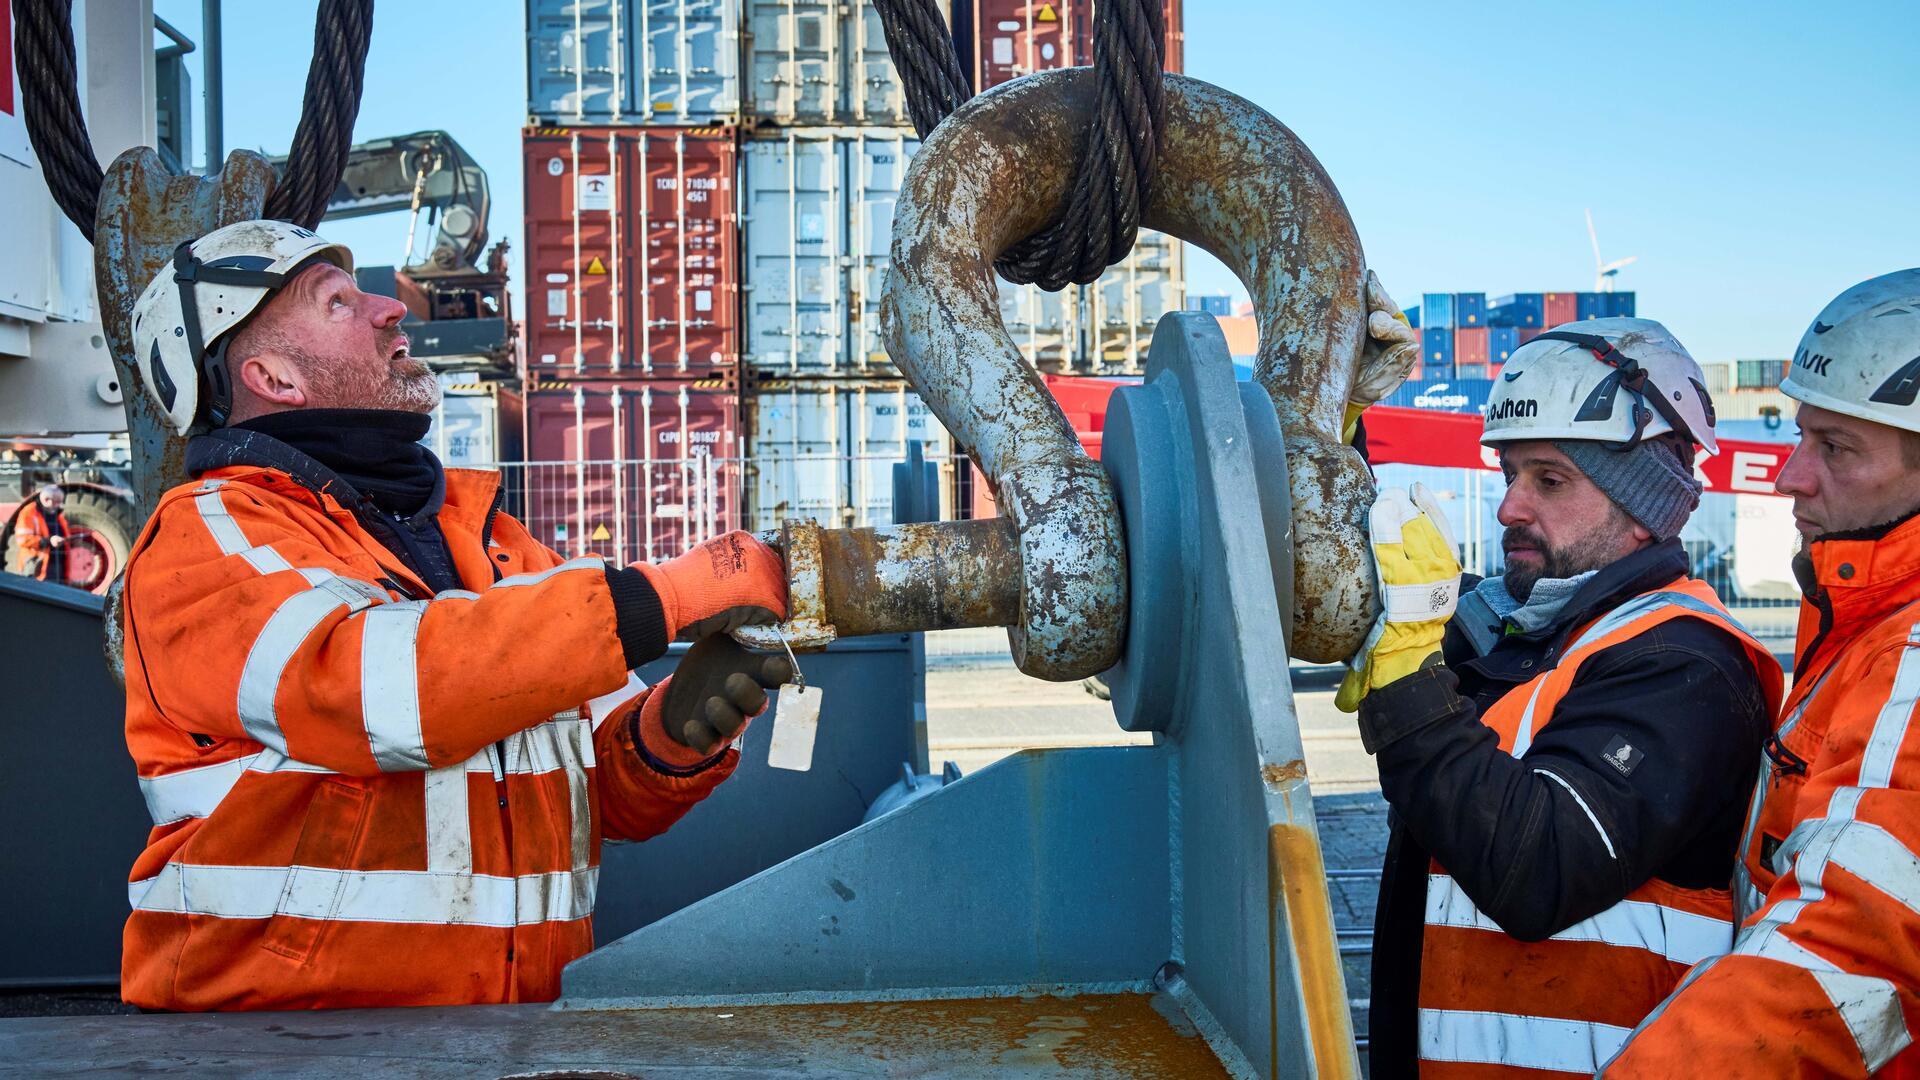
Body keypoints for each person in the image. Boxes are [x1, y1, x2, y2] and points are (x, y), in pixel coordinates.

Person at [117, 220, 793, 1011]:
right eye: (338, 302)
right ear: (272, 376)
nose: (389, 308)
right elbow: (375, 689)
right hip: (278, 1046)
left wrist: (667, 735)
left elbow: (600, 795)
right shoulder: (206, 539)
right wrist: (666, 596)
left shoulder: (489, 542)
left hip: (507, 1030)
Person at [1337, 318, 1784, 1077]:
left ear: (1643, 506)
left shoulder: (1685, 665)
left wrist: (1412, 680)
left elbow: (1538, 868)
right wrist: (1340, 435)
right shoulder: (1520, 634)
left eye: (1549, 479)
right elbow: (1365, 561)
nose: (1509, 505)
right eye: (1510, 472)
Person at [1603, 271, 1920, 1077]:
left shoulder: (1907, 658)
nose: (1787, 475)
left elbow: (1842, 953)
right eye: (1801, 434)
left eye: (1836, 449)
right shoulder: (1855, 621)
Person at [14, 484, 69, 584]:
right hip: (37, 565)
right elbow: (23, 539)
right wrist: (48, 541)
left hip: (57, 564)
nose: (59, 505)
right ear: (46, 500)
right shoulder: (28, 513)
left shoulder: (57, 514)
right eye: (57, 502)